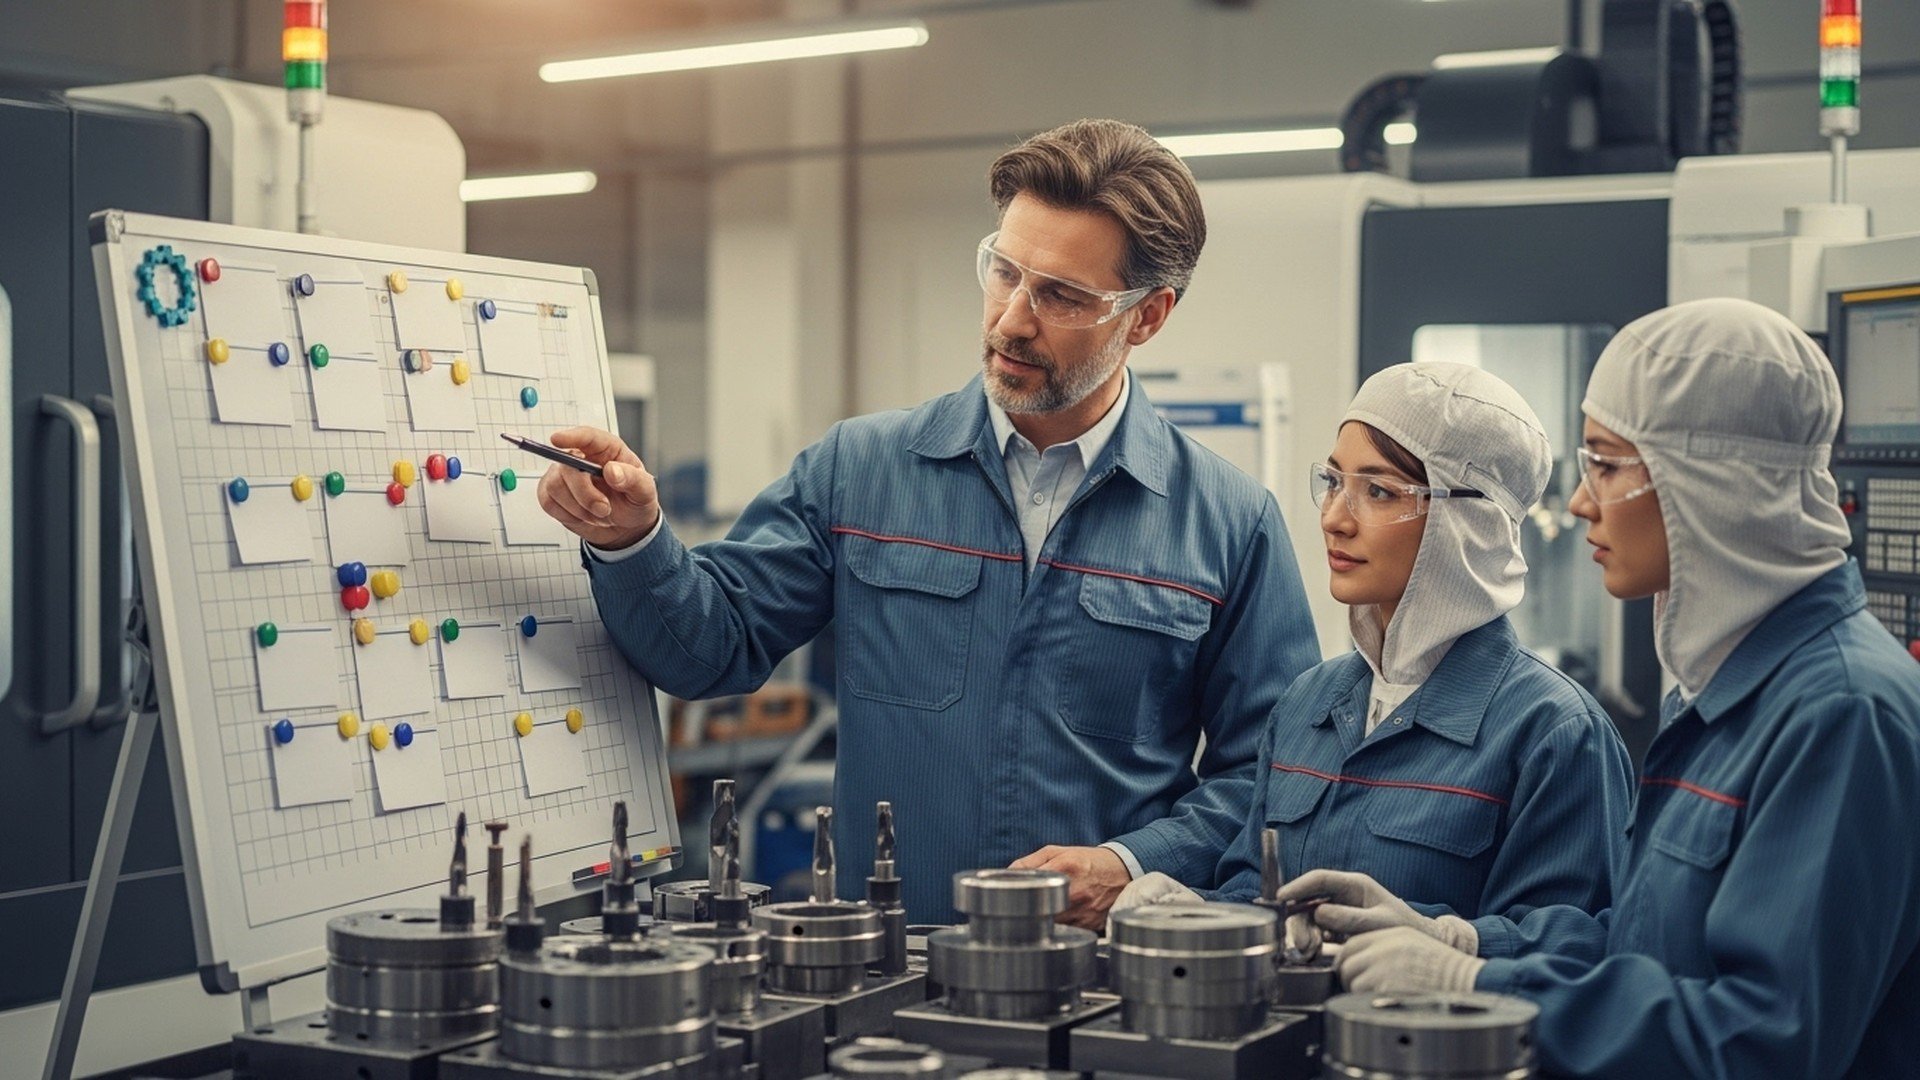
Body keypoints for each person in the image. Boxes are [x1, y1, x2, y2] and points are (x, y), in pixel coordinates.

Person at [536, 119, 1321, 925]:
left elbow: (1276, 777)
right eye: (1005, 272)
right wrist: (631, 539)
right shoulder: (862, 470)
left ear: (1146, 316)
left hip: (1105, 986)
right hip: (878, 975)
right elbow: (708, 649)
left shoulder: (1228, 525)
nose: (1013, 318)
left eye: (1060, 295)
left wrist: (1136, 863)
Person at [1287, 298, 1920, 1078]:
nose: (1581, 501)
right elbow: (1641, 941)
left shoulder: (1844, 712)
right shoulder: (1720, 698)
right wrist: (1462, 939)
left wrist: (1484, 990)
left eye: (1607, 464)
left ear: (1709, 483)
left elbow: (1760, 1041)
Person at [1113, 363, 1633, 935]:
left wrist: (1441, 941)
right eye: (1333, 482)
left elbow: (1573, 945)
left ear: (1469, 522)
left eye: (1378, 491)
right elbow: (1255, 889)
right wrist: (1199, 910)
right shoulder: (1306, 705)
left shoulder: (1553, 731)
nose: (1334, 519)